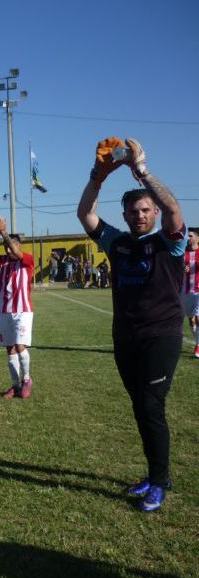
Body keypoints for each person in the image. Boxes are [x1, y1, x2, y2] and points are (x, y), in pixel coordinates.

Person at [77, 136, 186, 512]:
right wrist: (97, 176)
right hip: (125, 337)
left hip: (161, 336)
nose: (139, 215)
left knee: (151, 406)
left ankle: (159, 481)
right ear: (124, 216)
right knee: (140, 407)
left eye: (145, 210)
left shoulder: (170, 244)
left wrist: (142, 172)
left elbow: (174, 208)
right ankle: (157, 474)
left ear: (152, 213)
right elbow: (85, 215)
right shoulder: (117, 242)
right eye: (133, 212)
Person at [0, 216, 35, 399]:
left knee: (20, 345)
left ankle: (27, 379)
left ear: (19, 246)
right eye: (6, 247)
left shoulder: (26, 260)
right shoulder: (2, 260)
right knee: (9, 349)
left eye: (12, 246)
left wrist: (4, 231)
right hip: (5, 310)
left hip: (23, 310)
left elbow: (15, 251)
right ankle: (15, 385)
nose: (8, 249)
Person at [182, 228, 199, 358]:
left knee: (198, 318)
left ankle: (198, 345)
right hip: (185, 290)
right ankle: (198, 342)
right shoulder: (183, 252)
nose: (188, 238)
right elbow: (176, 268)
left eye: (191, 236)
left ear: (197, 238)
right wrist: (182, 268)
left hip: (198, 291)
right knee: (191, 319)